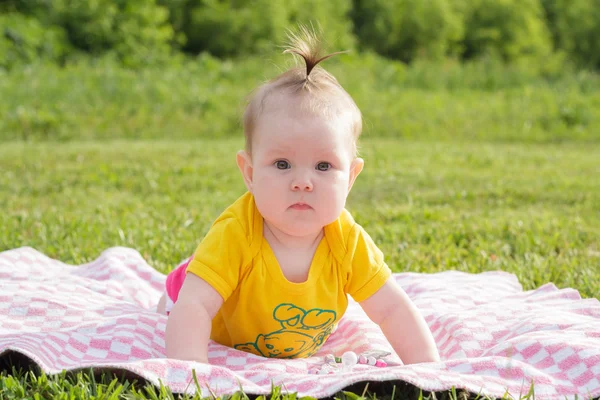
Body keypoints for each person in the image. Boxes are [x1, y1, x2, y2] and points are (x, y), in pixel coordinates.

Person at [159, 27, 440, 365]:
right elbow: (195, 306)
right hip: (214, 318)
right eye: (282, 164)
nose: (303, 182)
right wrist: (190, 376)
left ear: (350, 177)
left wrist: (428, 370)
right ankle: (186, 273)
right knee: (187, 292)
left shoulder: (346, 242)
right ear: (249, 173)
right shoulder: (237, 233)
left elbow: (393, 308)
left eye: (323, 166)